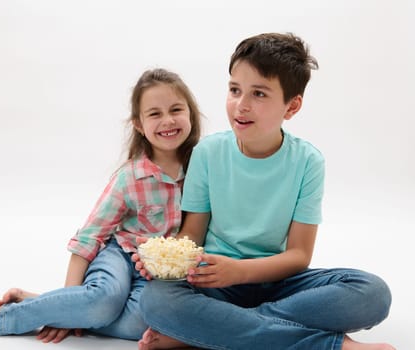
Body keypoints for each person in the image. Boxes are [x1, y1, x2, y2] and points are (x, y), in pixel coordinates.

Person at [134, 33, 394, 350]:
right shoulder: (207, 153)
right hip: (215, 279)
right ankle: (332, 346)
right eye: (234, 90)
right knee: (157, 300)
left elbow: (299, 255)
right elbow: (192, 235)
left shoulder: (307, 161)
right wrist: (157, 255)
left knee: (373, 293)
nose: (241, 106)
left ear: (292, 106)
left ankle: (213, 329)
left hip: (280, 281)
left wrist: (240, 272)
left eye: (258, 93)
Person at [0, 68, 202, 343]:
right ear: (139, 125)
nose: (167, 120)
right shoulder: (130, 177)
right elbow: (90, 236)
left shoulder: (202, 168)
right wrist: (71, 307)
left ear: (190, 113)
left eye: (176, 110)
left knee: (141, 322)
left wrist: (73, 311)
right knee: (103, 299)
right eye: (155, 114)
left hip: (153, 271)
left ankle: (45, 303)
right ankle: (1, 317)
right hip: (120, 254)